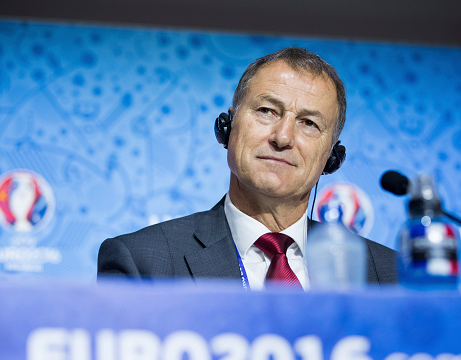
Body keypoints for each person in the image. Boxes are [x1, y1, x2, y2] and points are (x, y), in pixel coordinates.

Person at [98, 47, 397, 289]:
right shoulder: (143, 263)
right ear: (227, 128)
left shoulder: (390, 276)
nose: (282, 138)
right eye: (267, 111)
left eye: (309, 123)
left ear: (332, 157)